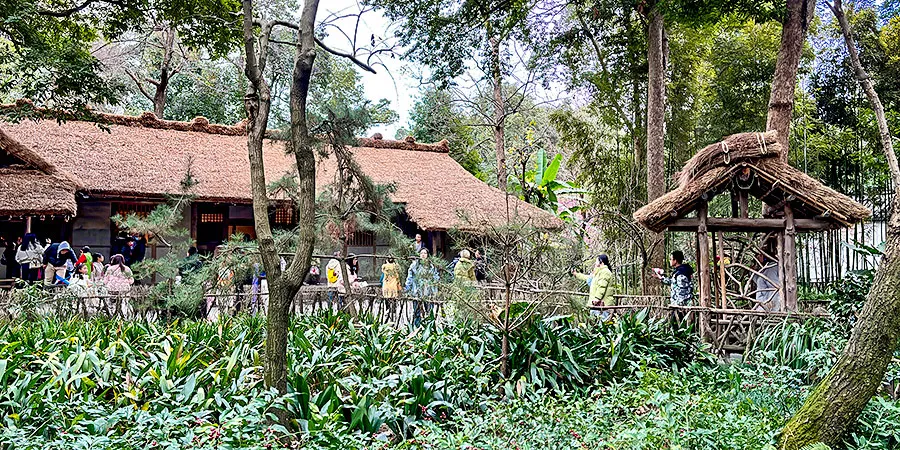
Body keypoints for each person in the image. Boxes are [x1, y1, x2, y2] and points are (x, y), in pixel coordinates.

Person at [406, 248, 439, 326]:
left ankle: (429, 327)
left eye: (425, 253)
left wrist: (435, 289)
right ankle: (417, 327)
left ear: (427, 255)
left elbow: (436, 277)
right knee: (417, 311)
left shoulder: (431, 266)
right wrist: (407, 288)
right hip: (417, 291)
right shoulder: (414, 265)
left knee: (429, 311)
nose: (423, 255)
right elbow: (409, 277)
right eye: (421, 253)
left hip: (428, 292)